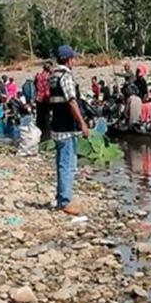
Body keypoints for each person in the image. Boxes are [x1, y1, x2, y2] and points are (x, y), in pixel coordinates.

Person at [49, 45, 90, 215]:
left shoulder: (52, 77)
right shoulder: (65, 77)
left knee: (61, 164)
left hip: (56, 127)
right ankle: (65, 201)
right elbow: (72, 101)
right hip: (66, 128)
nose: (75, 61)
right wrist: (82, 123)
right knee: (68, 165)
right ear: (68, 59)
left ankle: (61, 198)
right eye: (73, 58)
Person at [34, 63, 52, 135]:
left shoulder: (38, 76)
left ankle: (39, 132)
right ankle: (46, 134)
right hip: (46, 98)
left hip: (39, 98)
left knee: (39, 117)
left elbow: (36, 86)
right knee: (46, 117)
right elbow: (47, 89)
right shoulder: (48, 77)